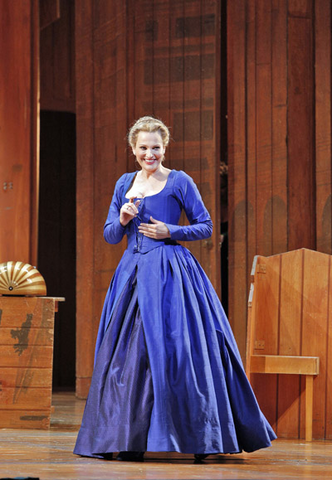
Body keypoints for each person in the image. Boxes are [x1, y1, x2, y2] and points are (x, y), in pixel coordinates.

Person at [74, 116, 276, 462]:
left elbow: (206, 226)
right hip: (133, 278)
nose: (149, 154)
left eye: (155, 147)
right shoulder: (124, 183)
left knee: (181, 351)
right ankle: (127, 438)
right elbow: (110, 235)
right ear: (133, 150)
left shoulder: (179, 181)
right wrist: (122, 219)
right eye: (143, 148)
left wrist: (171, 230)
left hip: (170, 276)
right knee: (130, 359)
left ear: (164, 148)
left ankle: (200, 439)